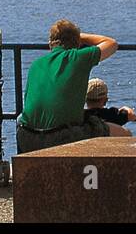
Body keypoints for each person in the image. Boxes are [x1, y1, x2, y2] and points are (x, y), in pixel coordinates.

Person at [16, 20, 118, 153]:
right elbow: (112, 44)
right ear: (77, 43)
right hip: (63, 137)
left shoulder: (35, 64)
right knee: (122, 133)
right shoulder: (78, 57)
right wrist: (81, 36)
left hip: (28, 137)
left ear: (50, 44)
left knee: (19, 118)